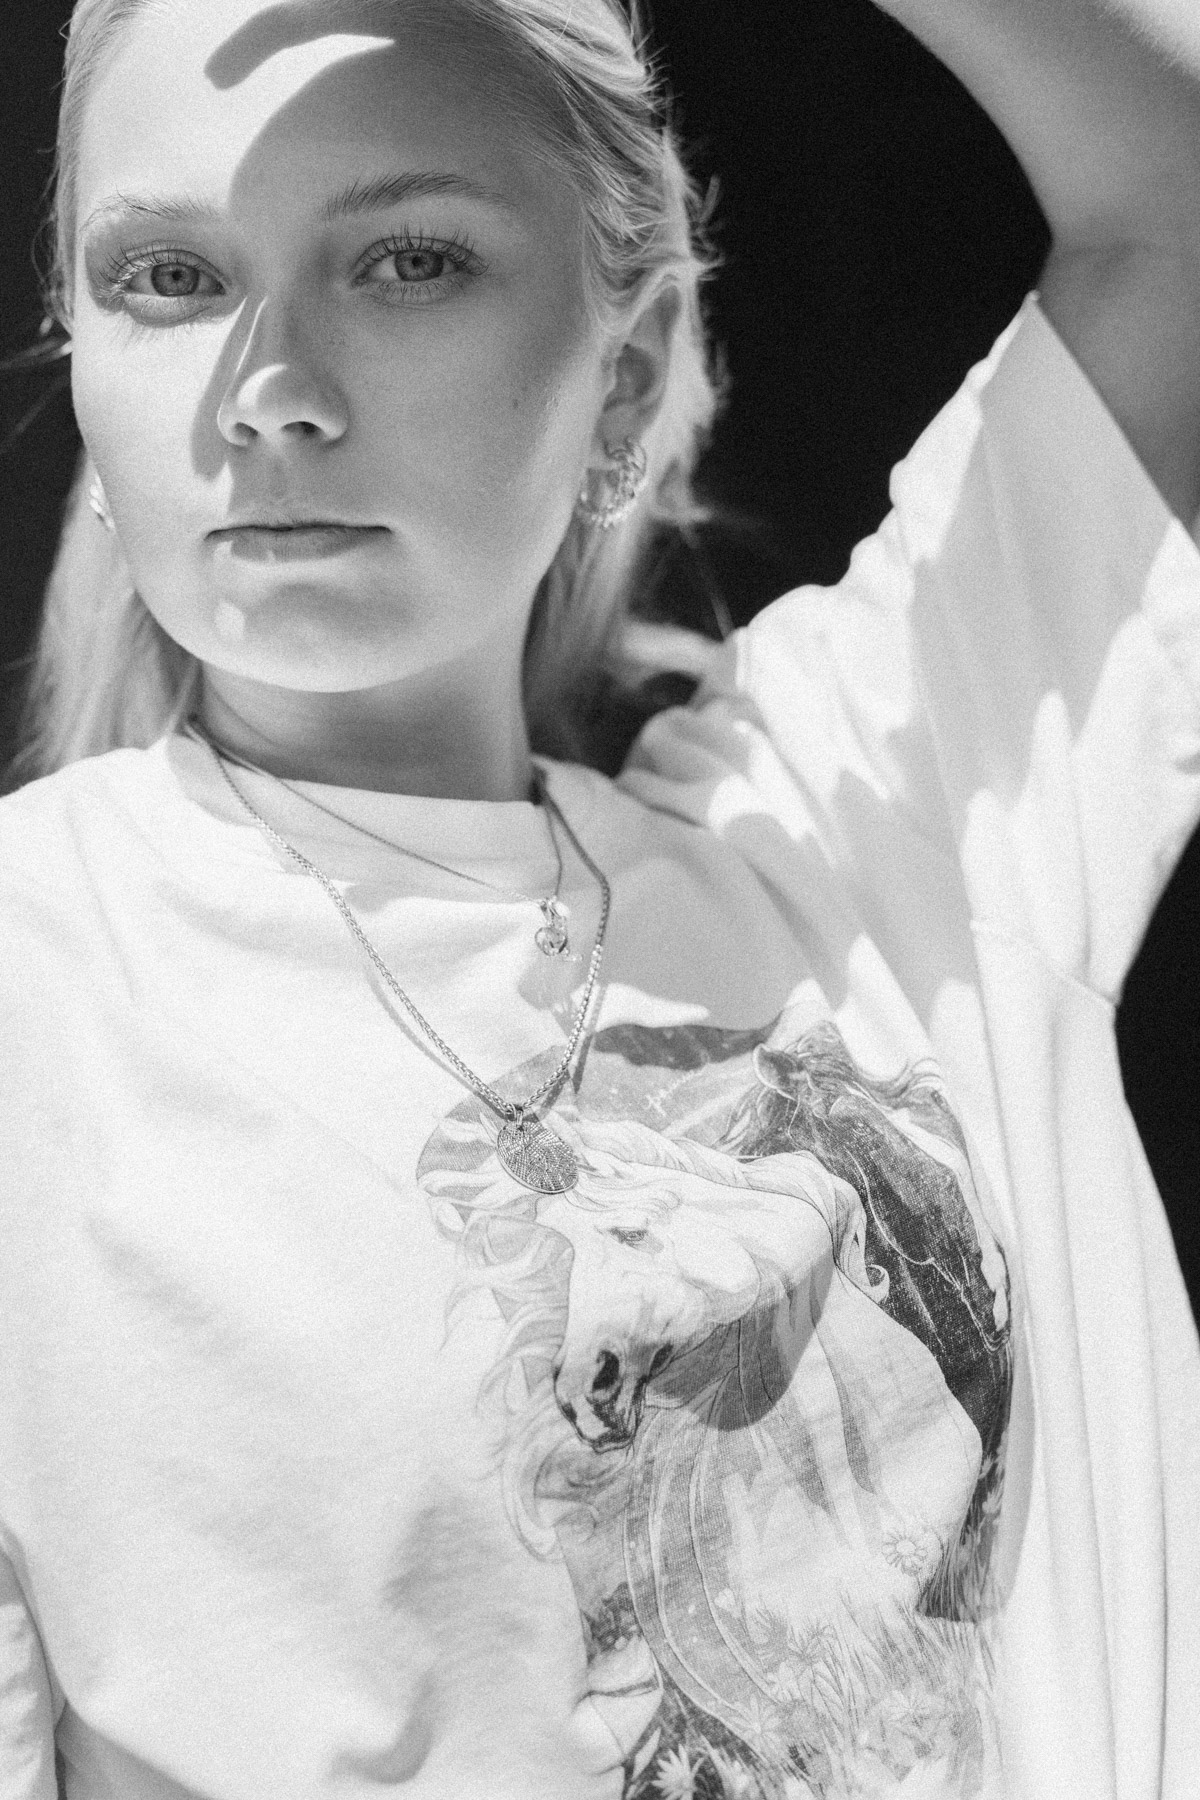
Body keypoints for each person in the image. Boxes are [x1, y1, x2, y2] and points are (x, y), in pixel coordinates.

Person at [2, 0, 1199, 1795]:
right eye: (169, 278)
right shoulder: (36, 986)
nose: (270, 390)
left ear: (623, 379)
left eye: (409, 260)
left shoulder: (871, 836)